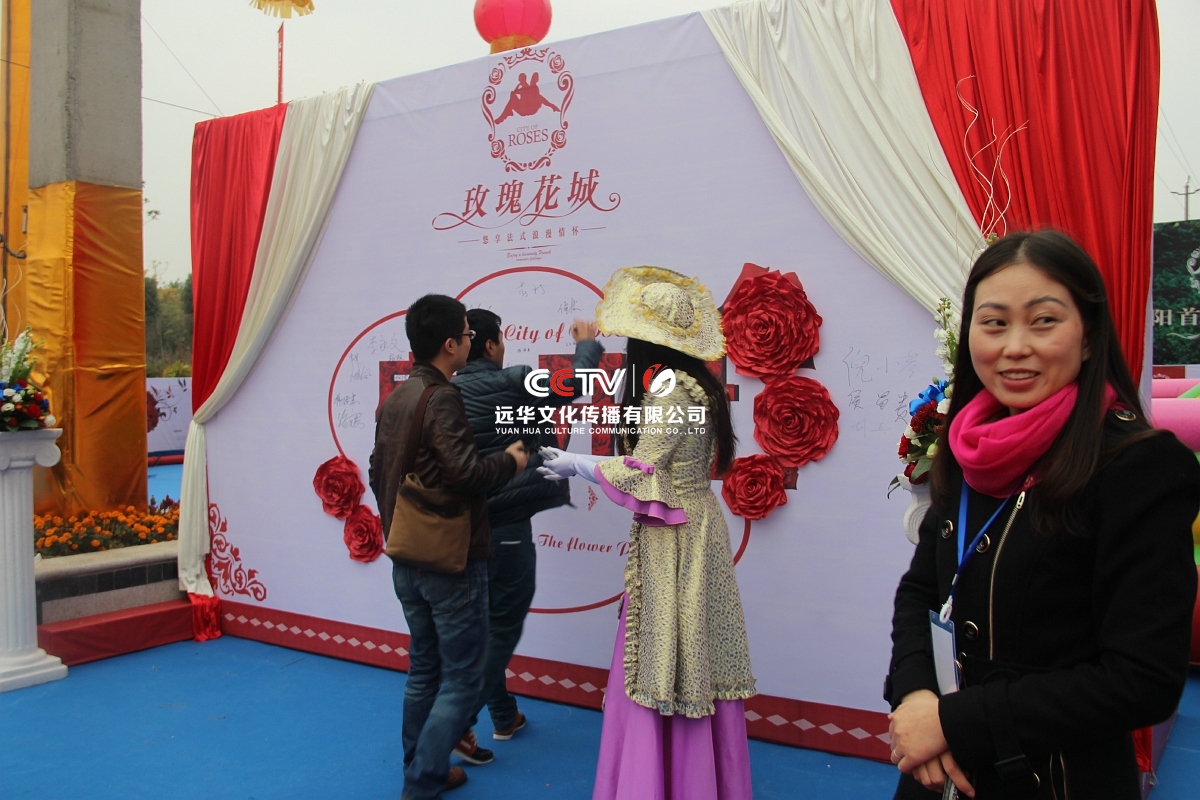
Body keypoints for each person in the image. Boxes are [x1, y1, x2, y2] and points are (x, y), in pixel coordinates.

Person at [885, 231, 1200, 798]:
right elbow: (921, 591)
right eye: (994, 323)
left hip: (1056, 780)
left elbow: (1142, 679)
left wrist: (954, 722)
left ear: (1089, 336)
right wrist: (915, 696)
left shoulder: (1138, 467)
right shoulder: (967, 445)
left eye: (1044, 321)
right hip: (942, 772)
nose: (1014, 346)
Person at [539, 266, 756, 800]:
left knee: (668, 654)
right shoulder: (698, 387)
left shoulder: (670, 394)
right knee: (690, 649)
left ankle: (658, 785)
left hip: (675, 536)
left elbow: (642, 469)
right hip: (694, 526)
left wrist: (577, 464)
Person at [368, 294, 529, 800]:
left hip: (407, 556)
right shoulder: (441, 398)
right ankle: (422, 781)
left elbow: (377, 471)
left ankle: (421, 768)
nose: (470, 340)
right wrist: (510, 461)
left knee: (424, 669)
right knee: (462, 677)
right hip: (449, 561)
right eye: (466, 333)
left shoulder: (398, 397)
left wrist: (400, 526)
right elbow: (465, 473)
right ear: (450, 345)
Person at [452, 308, 604, 743]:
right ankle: (456, 723)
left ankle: (503, 715)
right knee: (502, 629)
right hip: (505, 527)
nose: (504, 347)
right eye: (500, 340)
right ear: (489, 345)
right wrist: (586, 343)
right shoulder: (509, 381)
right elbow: (577, 382)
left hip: (462, 529)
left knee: (485, 630)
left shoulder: (447, 392)